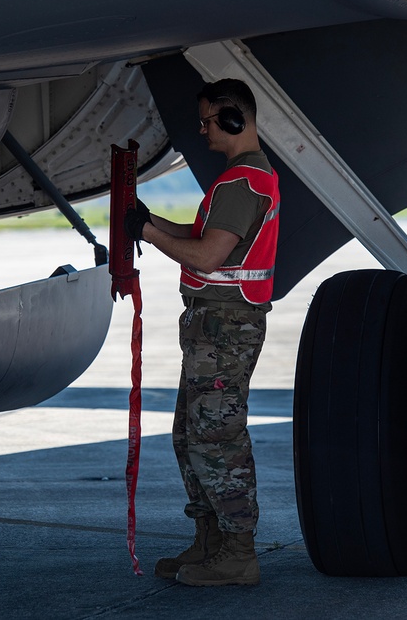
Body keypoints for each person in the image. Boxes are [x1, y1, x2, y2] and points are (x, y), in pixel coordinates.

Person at [124, 79, 279, 586]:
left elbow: (208, 256)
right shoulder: (243, 179)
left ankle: (238, 553)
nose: (203, 130)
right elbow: (200, 238)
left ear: (234, 119)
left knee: (217, 439)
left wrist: (144, 234)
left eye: (208, 120)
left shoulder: (241, 182)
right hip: (216, 326)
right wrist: (150, 222)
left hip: (225, 327)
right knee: (191, 435)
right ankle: (210, 541)